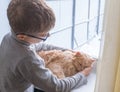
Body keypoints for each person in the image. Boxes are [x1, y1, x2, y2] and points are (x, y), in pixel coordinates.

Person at [0, 0, 93, 92]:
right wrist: (82, 75)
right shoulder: (27, 59)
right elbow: (56, 87)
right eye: (43, 35)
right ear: (22, 36)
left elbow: (39, 46)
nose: (49, 35)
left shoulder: (8, 38)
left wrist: (66, 50)